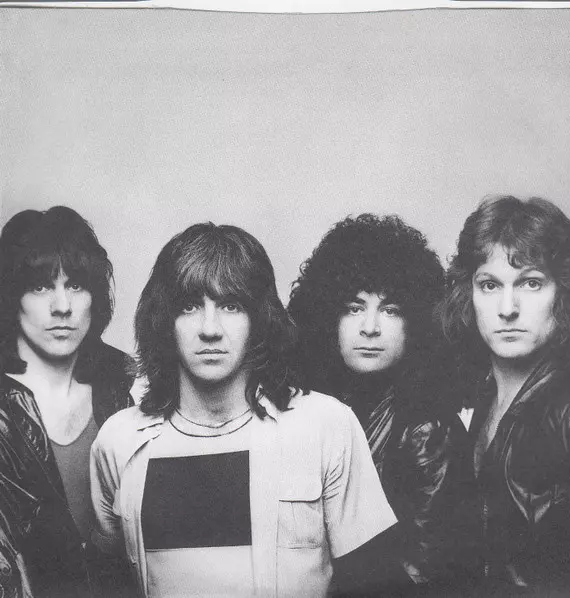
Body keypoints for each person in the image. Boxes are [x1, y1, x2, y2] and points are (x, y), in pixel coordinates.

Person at [90, 222, 397, 598]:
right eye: (189, 306)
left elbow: (375, 583)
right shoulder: (119, 441)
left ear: (259, 319)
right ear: (164, 321)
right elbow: (106, 579)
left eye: (230, 306)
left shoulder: (326, 427)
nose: (210, 329)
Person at [288, 214, 469, 593]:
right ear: (327, 318)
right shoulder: (315, 412)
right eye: (354, 308)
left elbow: (426, 575)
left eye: (391, 310)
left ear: (417, 323)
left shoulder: (428, 431)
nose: (370, 327)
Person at [440, 195, 570, 596]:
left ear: (563, 293)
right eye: (489, 285)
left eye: (531, 283)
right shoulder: (475, 399)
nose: (507, 308)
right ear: (468, 295)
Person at [0, 206, 135, 598]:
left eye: (76, 285)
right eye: (41, 287)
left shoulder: (127, 389)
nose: (62, 306)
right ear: (11, 296)